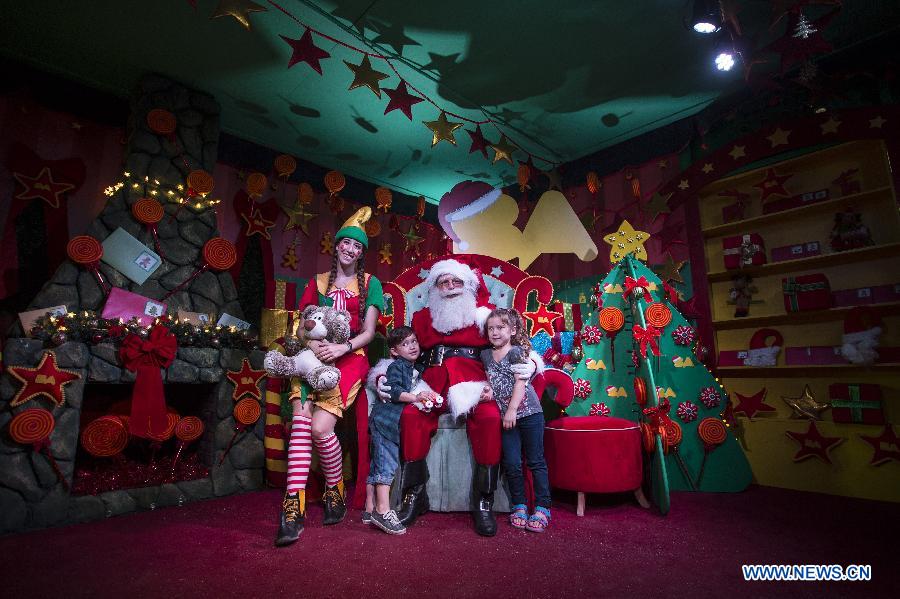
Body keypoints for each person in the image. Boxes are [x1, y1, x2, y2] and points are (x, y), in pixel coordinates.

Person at [376, 257, 537, 536]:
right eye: (444, 282)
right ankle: (415, 495)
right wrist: (382, 375)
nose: (450, 287)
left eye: (456, 281)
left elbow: (513, 342)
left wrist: (532, 363)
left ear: (467, 286)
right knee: (412, 415)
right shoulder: (422, 317)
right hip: (433, 379)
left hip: (475, 380)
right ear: (435, 287)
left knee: (488, 418)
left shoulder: (484, 315)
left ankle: (483, 499)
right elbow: (404, 349)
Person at [275, 206, 383, 547]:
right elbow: (302, 325)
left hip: (351, 358)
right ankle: (293, 506)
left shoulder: (370, 284)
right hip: (312, 357)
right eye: (345, 243)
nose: (350, 249)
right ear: (336, 246)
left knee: (322, 429)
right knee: (302, 424)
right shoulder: (316, 282)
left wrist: (341, 349)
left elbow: (369, 332)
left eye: (357, 246)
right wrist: (317, 345)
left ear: (362, 253)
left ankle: (334, 485)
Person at [481, 308, 551, 533]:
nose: (495, 332)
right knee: (511, 463)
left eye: (500, 328)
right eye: (490, 328)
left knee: (535, 461)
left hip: (529, 413)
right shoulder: (485, 355)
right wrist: (490, 392)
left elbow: (521, 382)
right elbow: (495, 379)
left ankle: (542, 507)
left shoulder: (517, 352)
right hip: (507, 418)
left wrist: (511, 410)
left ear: (512, 330)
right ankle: (519, 504)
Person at [365, 326, 439, 535]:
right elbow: (396, 391)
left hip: (387, 423)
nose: (412, 346)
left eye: (414, 341)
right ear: (394, 351)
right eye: (405, 344)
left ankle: (370, 508)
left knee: (378, 462)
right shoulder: (398, 366)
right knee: (386, 465)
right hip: (385, 421)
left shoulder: (410, 366)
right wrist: (416, 397)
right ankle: (382, 511)